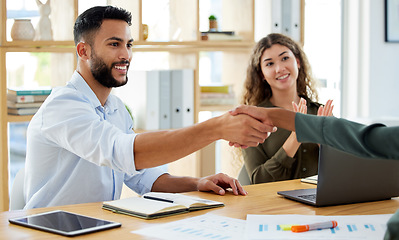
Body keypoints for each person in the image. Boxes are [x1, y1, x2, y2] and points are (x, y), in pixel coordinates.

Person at [23, 6, 272, 209]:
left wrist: (198, 183)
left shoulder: (116, 109)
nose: (126, 55)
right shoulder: (63, 105)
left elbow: (143, 176)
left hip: (92, 227)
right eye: (114, 44)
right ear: (83, 51)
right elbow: (126, 153)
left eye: (129, 45)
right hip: (48, 231)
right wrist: (216, 128)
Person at [229, 105, 399, 240]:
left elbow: (360, 148)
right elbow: (369, 139)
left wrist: (324, 142)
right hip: (274, 210)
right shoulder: (259, 121)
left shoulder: (317, 110)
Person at [239, 33, 333, 184]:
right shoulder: (252, 118)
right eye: (269, 64)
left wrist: (323, 144)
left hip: (319, 203)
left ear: (297, 62)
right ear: (261, 74)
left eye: (285, 58)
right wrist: (295, 137)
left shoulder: (320, 113)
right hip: (274, 206)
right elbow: (259, 181)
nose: (280, 68)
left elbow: (343, 171)